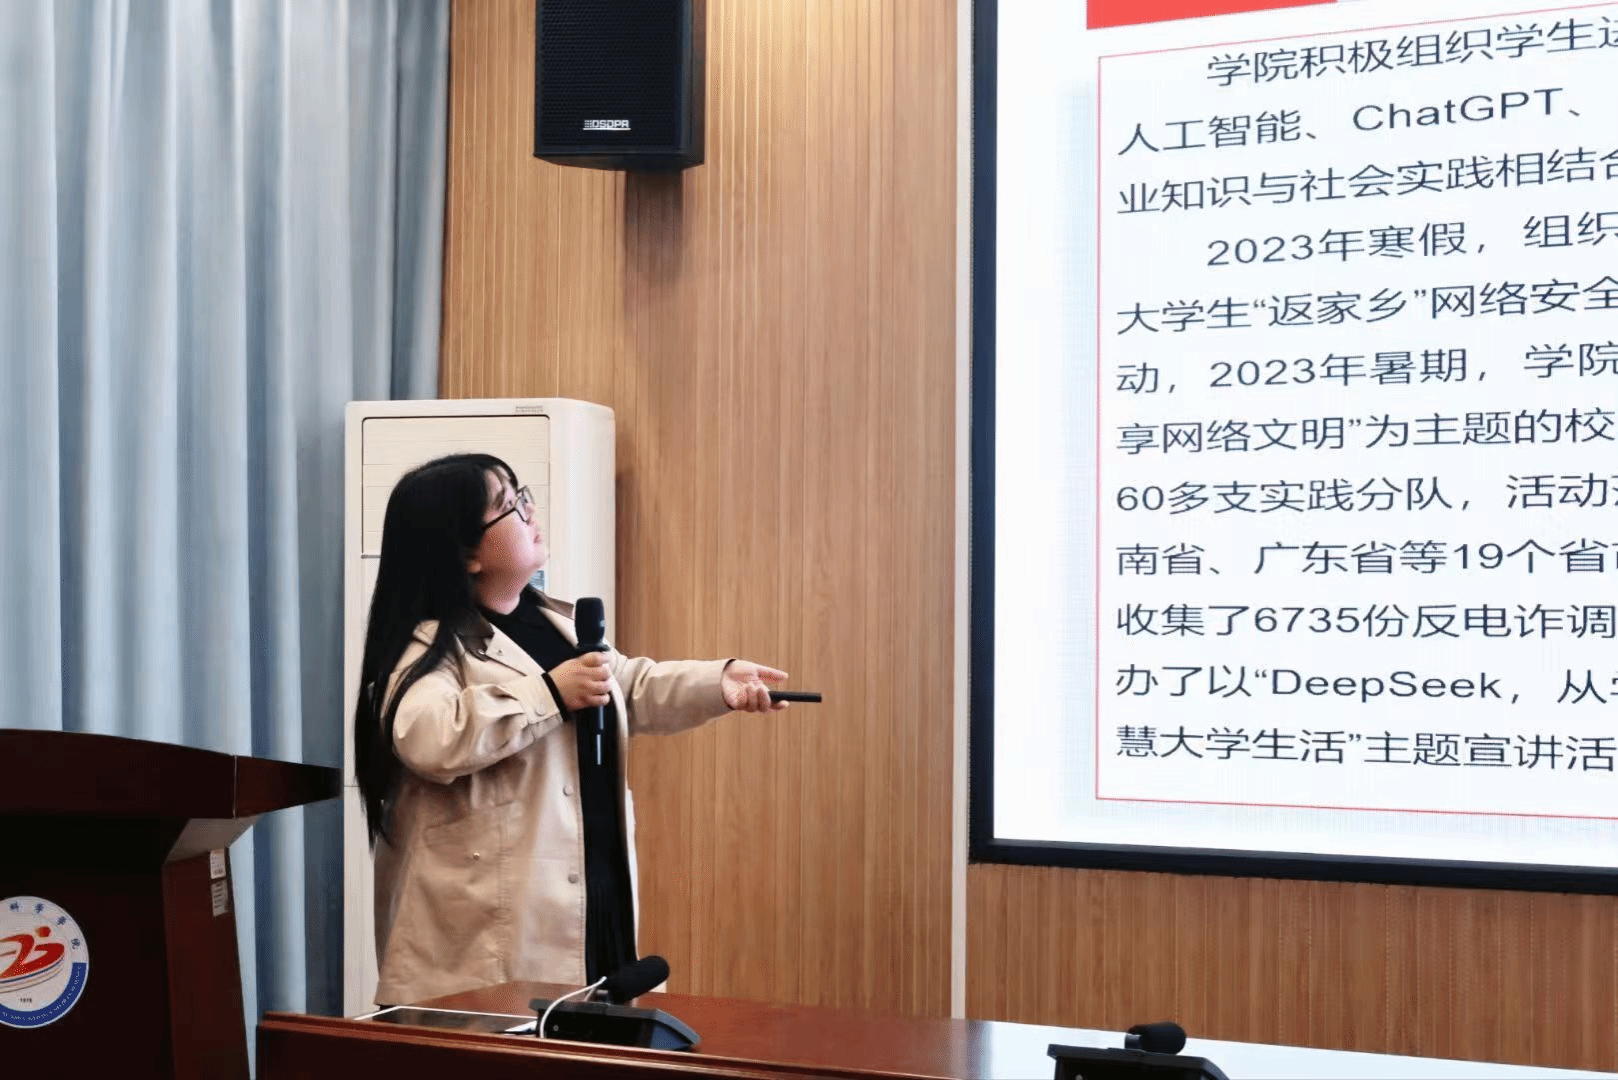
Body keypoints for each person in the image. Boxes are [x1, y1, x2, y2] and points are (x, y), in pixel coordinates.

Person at [353, 452, 789, 1004]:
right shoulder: (427, 645)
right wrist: (551, 694)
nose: (530, 512)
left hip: (592, 908)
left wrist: (718, 682)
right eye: (510, 506)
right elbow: (429, 736)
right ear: (467, 554)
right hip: (483, 953)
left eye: (523, 495)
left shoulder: (550, 621)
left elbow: (629, 685)